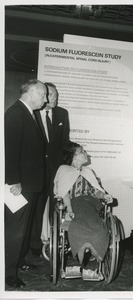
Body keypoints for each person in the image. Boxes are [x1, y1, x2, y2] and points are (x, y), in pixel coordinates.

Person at [4, 79, 47, 288]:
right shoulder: (15, 114)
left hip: (29, 184)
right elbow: (8, 151)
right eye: (43, 95)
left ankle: (19, 261)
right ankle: (7, 273)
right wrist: (14, 181)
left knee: (24, 228)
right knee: (15, 230)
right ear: (30, 92)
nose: (46, 100)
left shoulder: (28, 113)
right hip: (19, 186)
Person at [53, 141, 113, 279]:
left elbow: (95, 191)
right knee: (84, 222)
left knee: (98, 225)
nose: (86, 153)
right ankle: (85, 250)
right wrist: (69, 209)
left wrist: (104, 195)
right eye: (82, 151)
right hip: (74, 203)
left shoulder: (88, 171)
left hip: (91, 203)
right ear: (73, 156)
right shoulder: (64, 169)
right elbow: (64, 193)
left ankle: (90, 250)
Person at [29, 82, 70, 256]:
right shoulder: (33, 113)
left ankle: (57, 244)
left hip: (57, 171)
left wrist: (66, 166)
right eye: (51, 95)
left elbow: (65, 142)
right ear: (44, 96)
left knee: (58, 208)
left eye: (56, 95)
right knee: (36, 209)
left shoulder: (62, 113)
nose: (55, 98)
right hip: (38, 172)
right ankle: (35, 246)